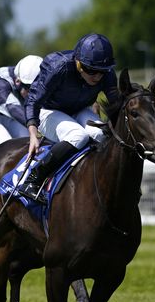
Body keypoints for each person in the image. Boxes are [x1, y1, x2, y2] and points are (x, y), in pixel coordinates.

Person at [19, 33, 120, 202]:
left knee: (102, 135)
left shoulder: (108, 74)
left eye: (101, 71)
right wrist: (32, 135)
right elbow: (32, 100)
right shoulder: (57, 66)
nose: (96, 76)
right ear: (78, 63)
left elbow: (116, 106)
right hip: (48, 111)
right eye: (91, 70)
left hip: (80, 109)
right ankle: (33, 179)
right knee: (77, 136)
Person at [0, 55, 43, 148]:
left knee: (28, 144)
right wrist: (41, 127)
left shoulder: (24, 76)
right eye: (30, 89)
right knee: (6, 146)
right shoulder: (0, 82)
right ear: (18, 82)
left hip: (13, 117)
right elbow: (13, 108)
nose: (33, 94)